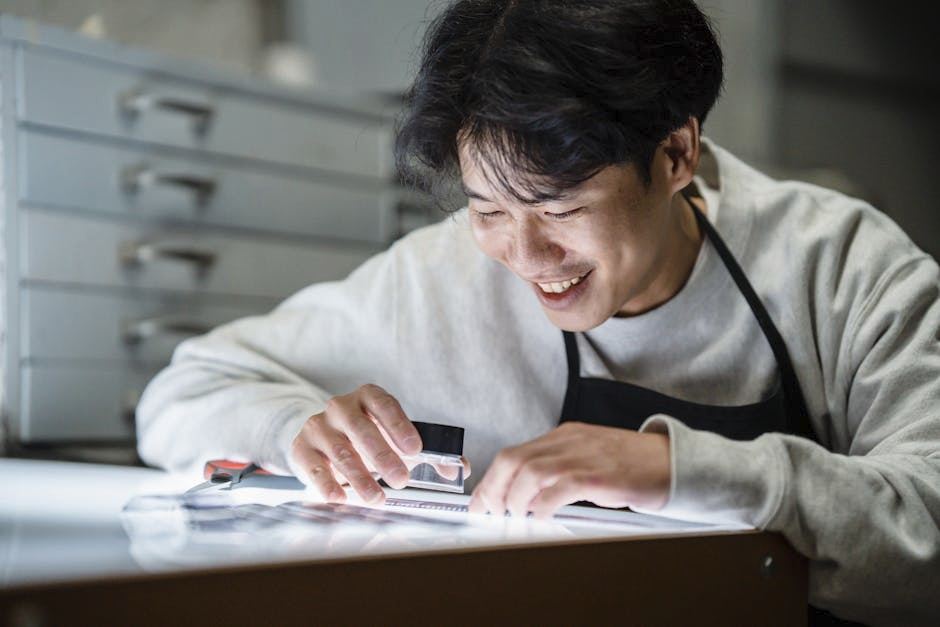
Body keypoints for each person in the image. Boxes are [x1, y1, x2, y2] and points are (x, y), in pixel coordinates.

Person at [136, 0, 940, 624]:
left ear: (675, 154)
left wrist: (673, 471)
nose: (523, 256)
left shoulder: (838, 267)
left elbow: (928, 531)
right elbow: (181, 394)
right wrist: (295, 428)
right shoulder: (440, 280)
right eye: (488, 208)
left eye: (559, 209)